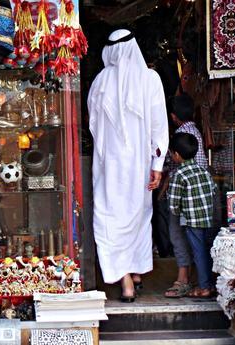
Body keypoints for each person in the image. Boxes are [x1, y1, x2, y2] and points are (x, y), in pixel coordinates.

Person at [88, 29, 169, 302]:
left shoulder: (100, 81)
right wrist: (157, 164)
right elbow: (159, 126)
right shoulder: (150, 79)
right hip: (139, 165)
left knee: (111, 218)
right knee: (137, 216)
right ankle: (131, 276)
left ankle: (126, 281)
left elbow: (93, 127)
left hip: (109, 166)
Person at [163, 94, 209, 298]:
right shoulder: (195, 131)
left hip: (185, 205)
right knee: (201, 245)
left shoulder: (180, 136)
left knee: (179, 237)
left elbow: (173, 203)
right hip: (202, 208)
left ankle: (188, 280)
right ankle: (204, 282)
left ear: (173, 117)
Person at [167, 133, 216, 298]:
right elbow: (213, 189)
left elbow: (173, 202)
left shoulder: (179, 174)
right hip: (208, 218)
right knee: (206, 250)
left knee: (198, 252)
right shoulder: (203, 170)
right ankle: (210, 284)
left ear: (177, 155)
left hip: (192, 221)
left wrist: (176, 213)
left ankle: (204, 287)